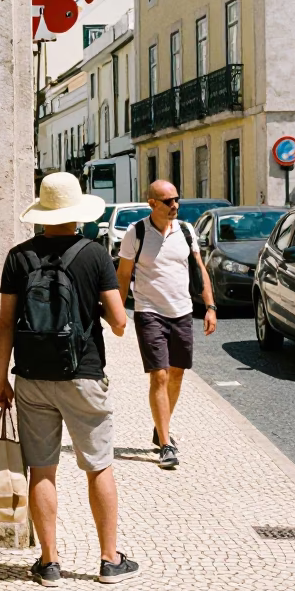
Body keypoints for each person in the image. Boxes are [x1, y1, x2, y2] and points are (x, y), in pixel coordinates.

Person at [0, 172, 139, 587]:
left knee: (42, 470)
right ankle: (110, 560)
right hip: (83, 373)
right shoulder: (93, 254)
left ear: (41, 213)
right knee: (99, 467)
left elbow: (5, 324)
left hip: (31, 377)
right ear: (77, 214)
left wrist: (0, 378)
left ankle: (49, 562)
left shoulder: (18, 257)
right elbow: (117, 322)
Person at [115, 180, 216, 471]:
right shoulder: (136, 233)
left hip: (182, 311)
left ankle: (161, 427)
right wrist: (119, 312)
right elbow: (123, 276)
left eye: (176, 200)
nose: (175, 205)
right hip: (149, 312)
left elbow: (199, 268)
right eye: (168, 201)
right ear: (152, 204)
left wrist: (210, 307)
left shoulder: (186, 230)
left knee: (176, 375)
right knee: (159, 375)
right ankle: (166, 444)